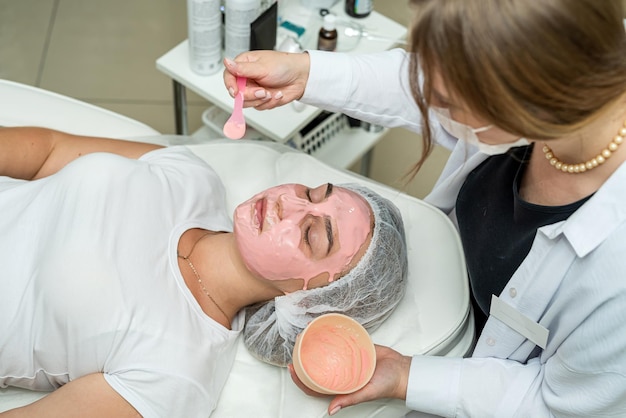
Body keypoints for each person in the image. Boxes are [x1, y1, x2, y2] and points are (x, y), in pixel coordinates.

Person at [222, 0, 626, 416]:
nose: (425, 98)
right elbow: (430, 78)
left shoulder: (616, 276)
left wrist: (406, 378)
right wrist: (309, 73)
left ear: (524, 106)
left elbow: (556, 405)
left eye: (446, 103)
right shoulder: (572, 60)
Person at [0, 126, 408, 417]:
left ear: (310, 299)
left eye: (312, 234)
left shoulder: (177, 373)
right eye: (311, 193)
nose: (289, 204)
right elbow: (50, 151)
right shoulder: (192, 175)